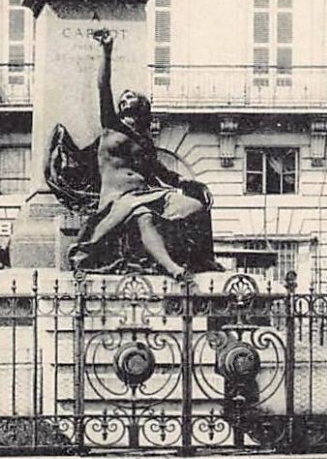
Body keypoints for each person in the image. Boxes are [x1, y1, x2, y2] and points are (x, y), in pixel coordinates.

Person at [64, 27, 218, 280]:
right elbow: (103, 86)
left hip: (148, 193)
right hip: (118, 198)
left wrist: (188, 182)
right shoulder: (111, 126)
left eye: (131, 95)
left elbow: (160, 172)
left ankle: (202, 257)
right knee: (143, 217)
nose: (126, 96)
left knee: (195, 206)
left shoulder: (145, 140)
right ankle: (173, 269)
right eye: (124, 97)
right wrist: (107, 51)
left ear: (142, 107)